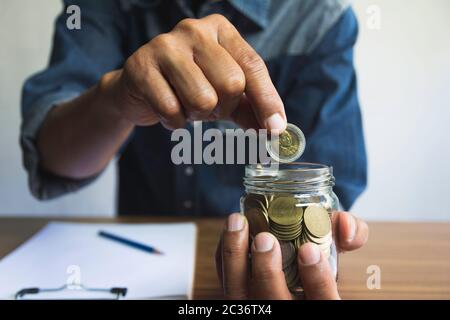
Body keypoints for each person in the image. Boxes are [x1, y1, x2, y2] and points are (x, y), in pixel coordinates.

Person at [20, 0, 368, 299]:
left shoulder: (319, 16)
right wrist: (115, 97)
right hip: (141, 268)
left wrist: (328, 235)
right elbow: (53, 158)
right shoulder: (101, 7)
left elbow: (329, 182)